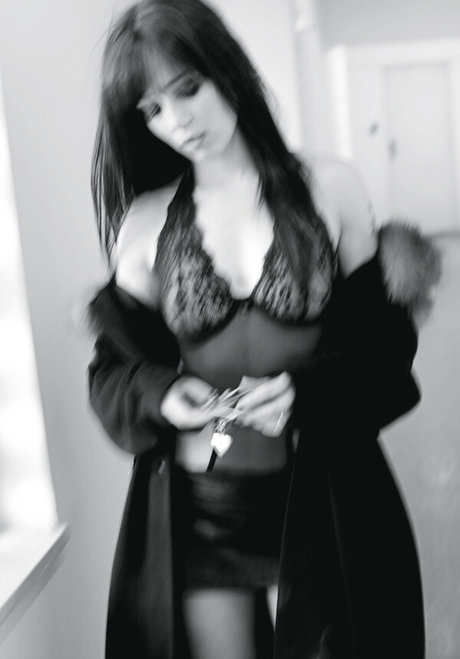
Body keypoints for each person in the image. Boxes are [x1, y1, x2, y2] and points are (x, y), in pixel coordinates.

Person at [88, 1, 441, 657]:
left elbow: (386, 347)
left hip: (319, 497)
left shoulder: (331, 187)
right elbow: (112, 374)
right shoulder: (145, 223)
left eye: (187, 89)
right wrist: (164, 393)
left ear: (226, 69)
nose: (177, 120)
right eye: (153, 109)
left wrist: (307, 390)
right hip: (202, 507)